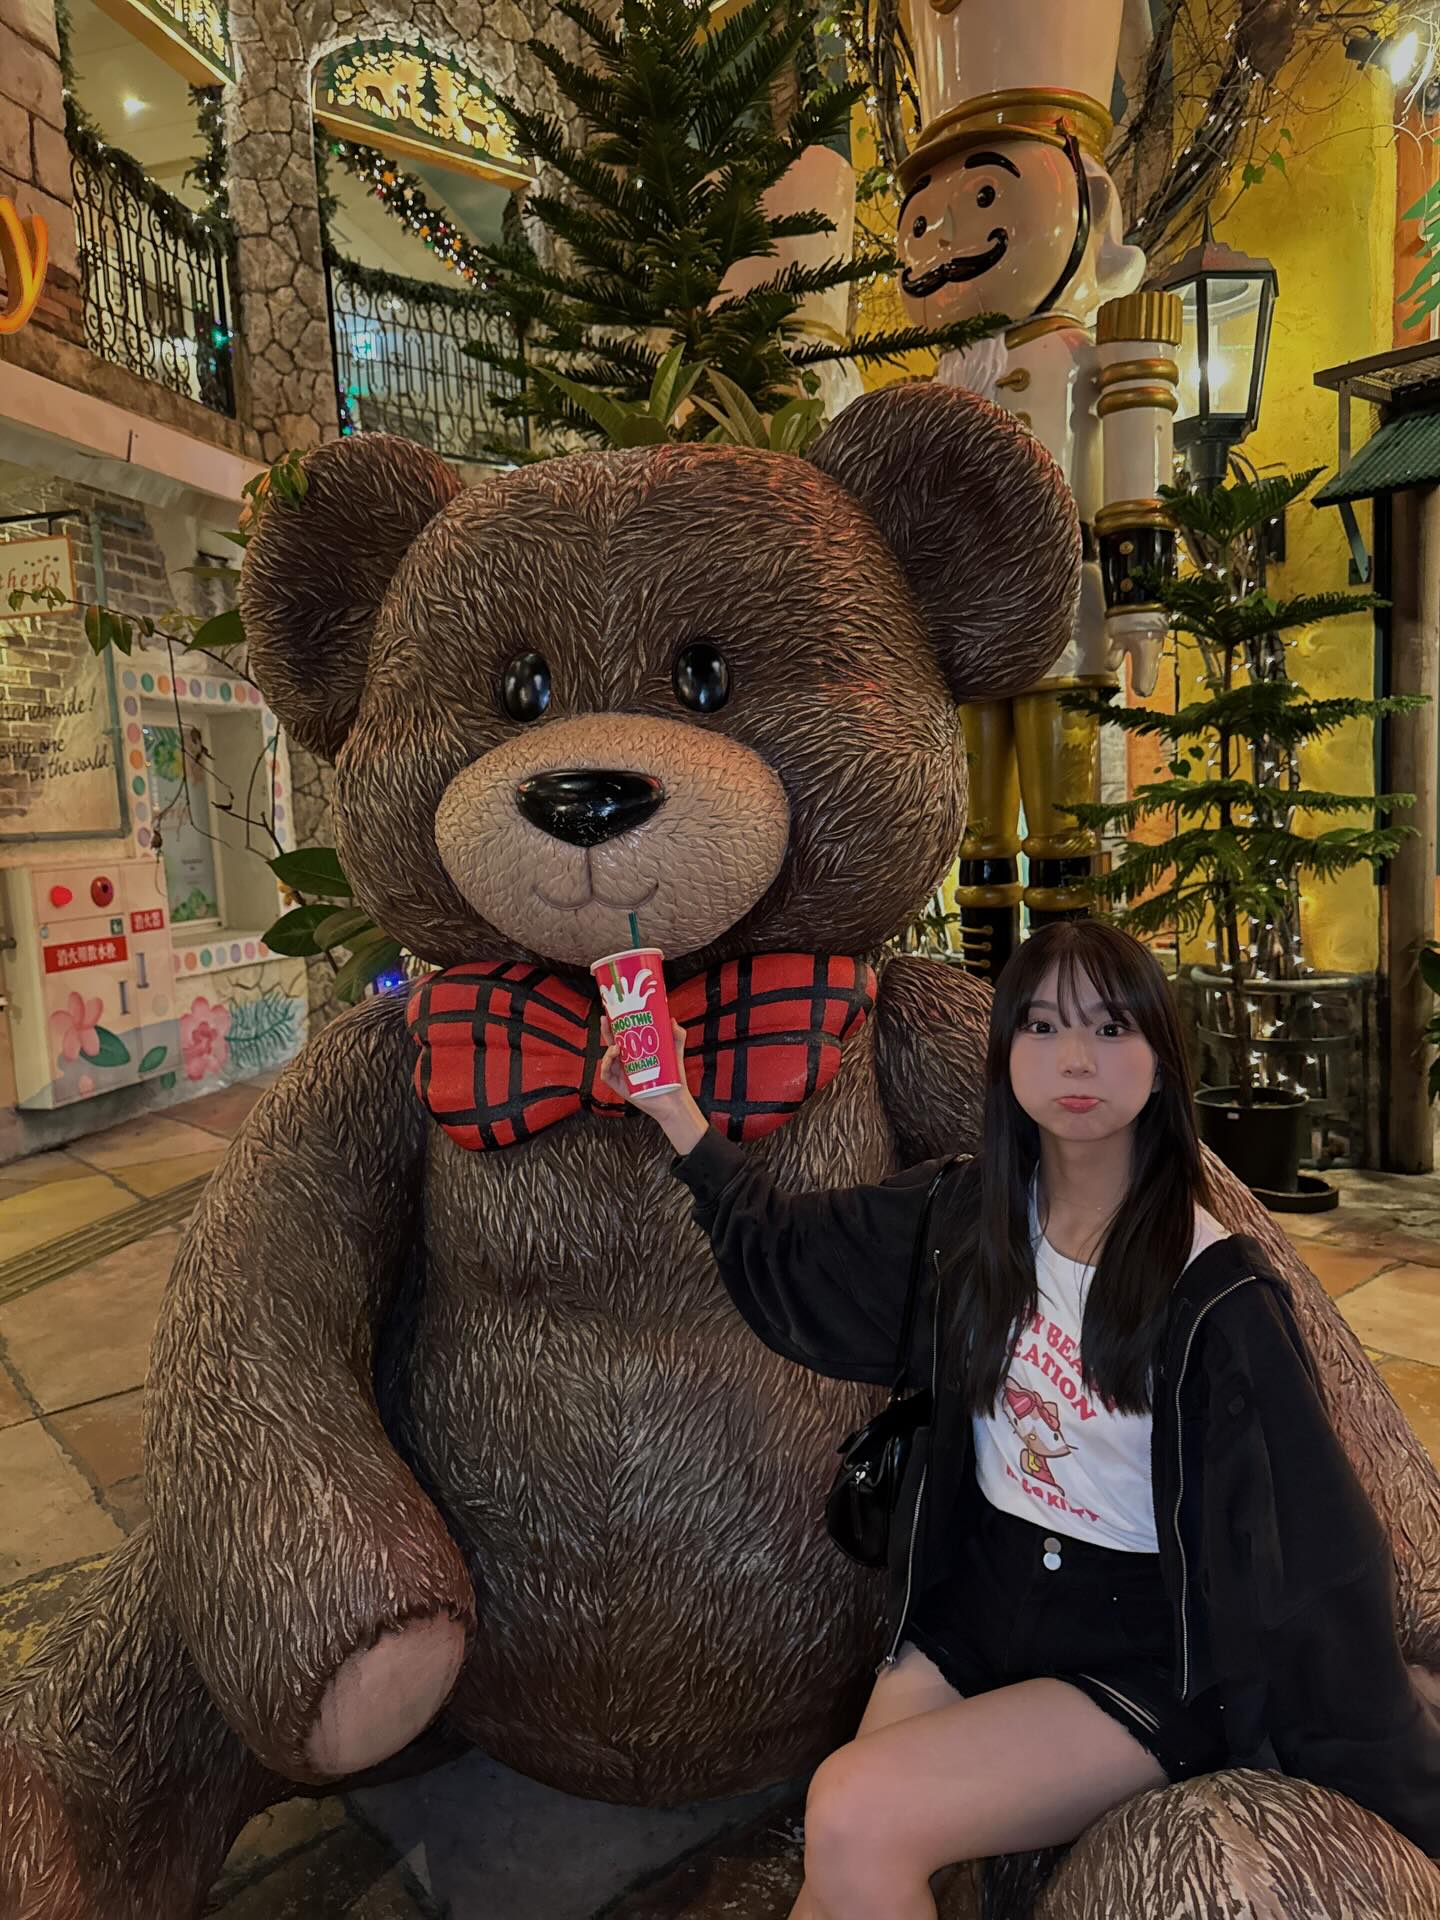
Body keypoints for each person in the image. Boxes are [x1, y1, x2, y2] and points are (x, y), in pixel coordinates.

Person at [599, 920, 1440, 1920]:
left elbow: (1318, 1557)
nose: (1075, 1058)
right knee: (843, 1858)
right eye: (1042, 1025)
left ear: (1163, 1063)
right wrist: (674, 1109)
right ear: (1005, 1056)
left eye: (1112, 1027)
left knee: (852, 1813)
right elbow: (793, 1256)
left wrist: (1399, 1783)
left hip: (1140, 1648)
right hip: (979, 1602)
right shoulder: (970, 1219)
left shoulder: (1216, 1294)